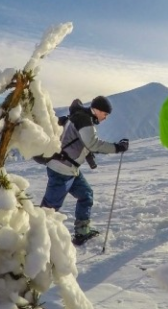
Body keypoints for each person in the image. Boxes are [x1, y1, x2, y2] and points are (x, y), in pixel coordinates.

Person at [40, 95, 128, 242]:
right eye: (105, 114)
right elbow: (93, 144)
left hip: (70, 169)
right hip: (61, 169)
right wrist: (117, 147)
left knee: (86, 195)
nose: (105, 118)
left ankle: (82, 231)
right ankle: (35, 238)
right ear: (96, 110)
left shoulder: (81, 117)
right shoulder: (84, 120)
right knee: (49, 208)